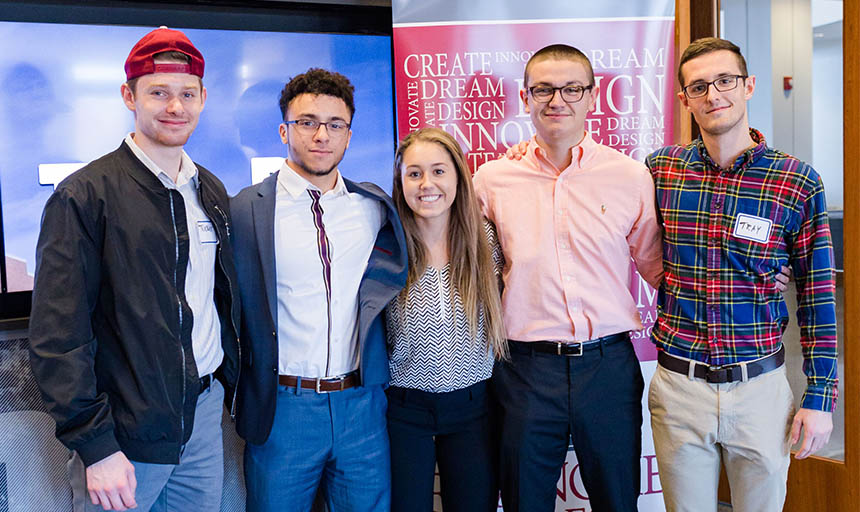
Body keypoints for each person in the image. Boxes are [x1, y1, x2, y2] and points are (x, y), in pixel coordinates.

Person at [28, 27, 240, 512]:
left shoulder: (210, 190)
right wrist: (96, 446)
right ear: (130, 96)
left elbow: (216, 303)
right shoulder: (84, 195)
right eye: (159, 93)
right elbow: (58, 336)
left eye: (187, 94)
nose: (175, 107)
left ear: (204, 98)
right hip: (123, 432)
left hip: (201, 419)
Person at [645, 37, 837, 512]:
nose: (714, 94)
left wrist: (821, 397)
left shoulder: (796, 181)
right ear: (684, 98)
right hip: (680, 388)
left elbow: (818, 295)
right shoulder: (659, 172)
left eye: (725, 80)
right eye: (699, 86)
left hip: (760, 391)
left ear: (748, 85)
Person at [473, 44, 664, 512]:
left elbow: (660, 270)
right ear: (525, 98)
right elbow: (469, 272)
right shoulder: (491, 180)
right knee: (523, 500)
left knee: (618, 499)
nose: (557, 100)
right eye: (544, 89)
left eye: (572, 89)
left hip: (609, 369)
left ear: (593, 97)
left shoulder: (630, 176)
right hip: (524, 370)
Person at [231, 67, 408, 512]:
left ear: (349, 135)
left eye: (335, 124)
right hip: (285, 409)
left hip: (362, 405)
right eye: (307, 122)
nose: (321, 135)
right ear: (284, 131)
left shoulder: (374, 208)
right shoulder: (245, 211)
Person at [386, 127, 506, 512]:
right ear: (400, 181)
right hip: (401, 410)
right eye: (414, 173)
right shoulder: (385, 244)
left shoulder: (484, 240)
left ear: (458, 176)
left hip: (473, 407)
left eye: (438, 171)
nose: (427, 184)